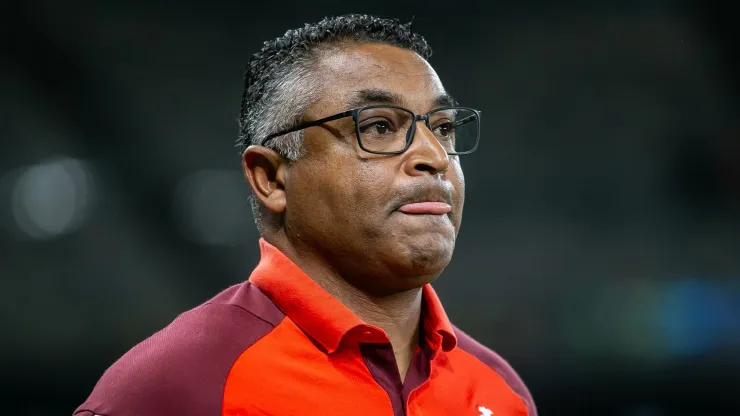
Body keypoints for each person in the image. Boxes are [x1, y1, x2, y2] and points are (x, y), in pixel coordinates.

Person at [74, 14, 537, 416]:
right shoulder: (174, 387)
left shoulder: (502, 392)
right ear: (271, 178)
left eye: (443, 127)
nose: (434, 156)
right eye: (377, 126)